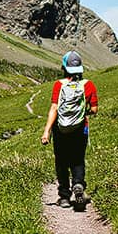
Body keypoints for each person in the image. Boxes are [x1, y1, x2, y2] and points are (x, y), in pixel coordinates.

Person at [41, 51, 98, 208]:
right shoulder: (88, 85)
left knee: (61, 161)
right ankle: (78, 185)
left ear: (63, 68)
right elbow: (94, 109)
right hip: (80, 129)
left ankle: (64, 196)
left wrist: (47, 132)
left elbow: (54, 108)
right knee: (78, 159)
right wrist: (82, 113)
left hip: (60, 129)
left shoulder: (59, 85)